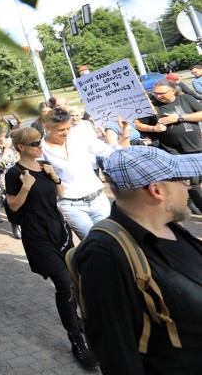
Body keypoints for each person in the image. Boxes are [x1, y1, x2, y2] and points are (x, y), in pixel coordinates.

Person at [72, 147, 202, 373]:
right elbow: (117, 354)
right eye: (184, 181)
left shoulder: (169, 227)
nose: (188, 188)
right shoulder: (105, 254)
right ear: (157, 190)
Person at [4, 128, 98, 368]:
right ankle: (77, 341)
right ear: (21, 147)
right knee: (64, 283)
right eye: (34, 143)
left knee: (73, 279)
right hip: (37, 236)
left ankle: (77, 321)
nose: (39, 146)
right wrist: (25, 186)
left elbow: (59, 194)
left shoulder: (44, 165)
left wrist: (55, 177)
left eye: (39, 142)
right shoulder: (14, 173)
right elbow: (13, 207)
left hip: (59, 230)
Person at [42, 108, 130, 240]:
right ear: (47, 127)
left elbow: (111, 152)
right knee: (92, 244)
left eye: (68, 128)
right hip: (71, 205)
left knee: (115, 240)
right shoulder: (40, 149)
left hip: (98, 200)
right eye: (60, 130)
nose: (66, 133)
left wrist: (124, 136)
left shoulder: (79, 139)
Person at [137, 79, 202, 218]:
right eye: (155, 93)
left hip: (195, 145)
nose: (158, 96)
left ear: (173, 90)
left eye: (161, 93)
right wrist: (154, 128)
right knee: (192, 180)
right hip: (173, 149)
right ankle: (195, 205)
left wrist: (179, 118)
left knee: (197, 178)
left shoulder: (186, 98)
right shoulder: (152, 107)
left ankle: (189, 201)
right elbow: (138, 124)